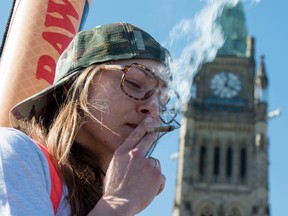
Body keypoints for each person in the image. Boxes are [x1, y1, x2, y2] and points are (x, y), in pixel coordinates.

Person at [0, 22, 180, 216]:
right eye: (134, 83)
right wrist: (118, 202)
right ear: (73, 87)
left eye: (162, 100)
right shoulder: (17, 151)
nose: (153, 109)